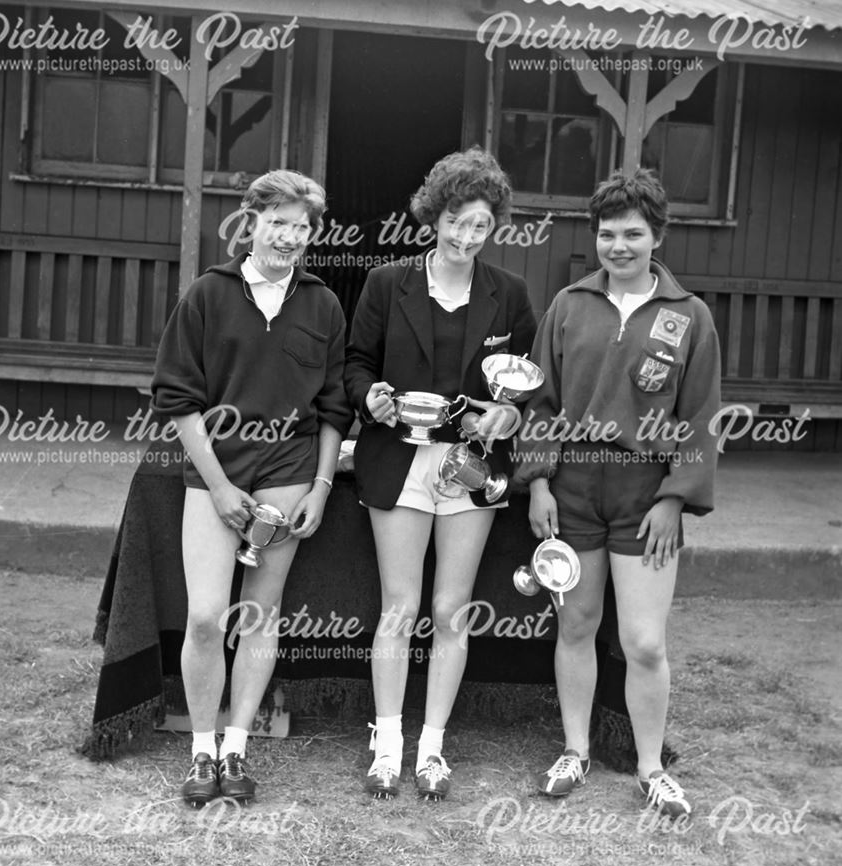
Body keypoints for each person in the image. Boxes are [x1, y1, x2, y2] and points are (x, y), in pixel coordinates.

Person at [516, 168, 721, 818]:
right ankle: (574, 750)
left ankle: (650, 766)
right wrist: (539, 479)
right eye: (607, 233)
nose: (618, 246)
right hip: (572, 486)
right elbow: (539, 402)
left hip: (644, 493)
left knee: (643, 641)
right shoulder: (568, 305)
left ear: (656, 234)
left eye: (632, 233)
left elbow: (698, 417)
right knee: (575, 624)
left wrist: (673, 497)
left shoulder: (688, 317)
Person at [150, 170, 353, 806]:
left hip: (290, 473)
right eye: (279, 223)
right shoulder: (208, 294)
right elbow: (178, 398)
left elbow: (333, 408)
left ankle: (237, 747)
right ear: (251, 223)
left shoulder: (322, 303)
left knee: (261, 615)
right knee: (208, 617)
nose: (291, 237)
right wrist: (217, 488)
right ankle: (201, 751)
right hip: (218, 471)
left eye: (303, 227)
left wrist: (320, 488)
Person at [344, 147, 537, 799]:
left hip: (472, 468)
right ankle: (386, 744)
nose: (464, 236)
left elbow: (525, 387)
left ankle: (431, 750)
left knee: (450, 612)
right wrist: (367, 398)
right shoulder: (383, 283)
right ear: (434, 214)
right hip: (398, 459)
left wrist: (506, 420)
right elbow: (355, 365)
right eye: (456, 219)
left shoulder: (507, 295)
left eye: (479, 224)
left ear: (492, 226)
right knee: (398, 610)